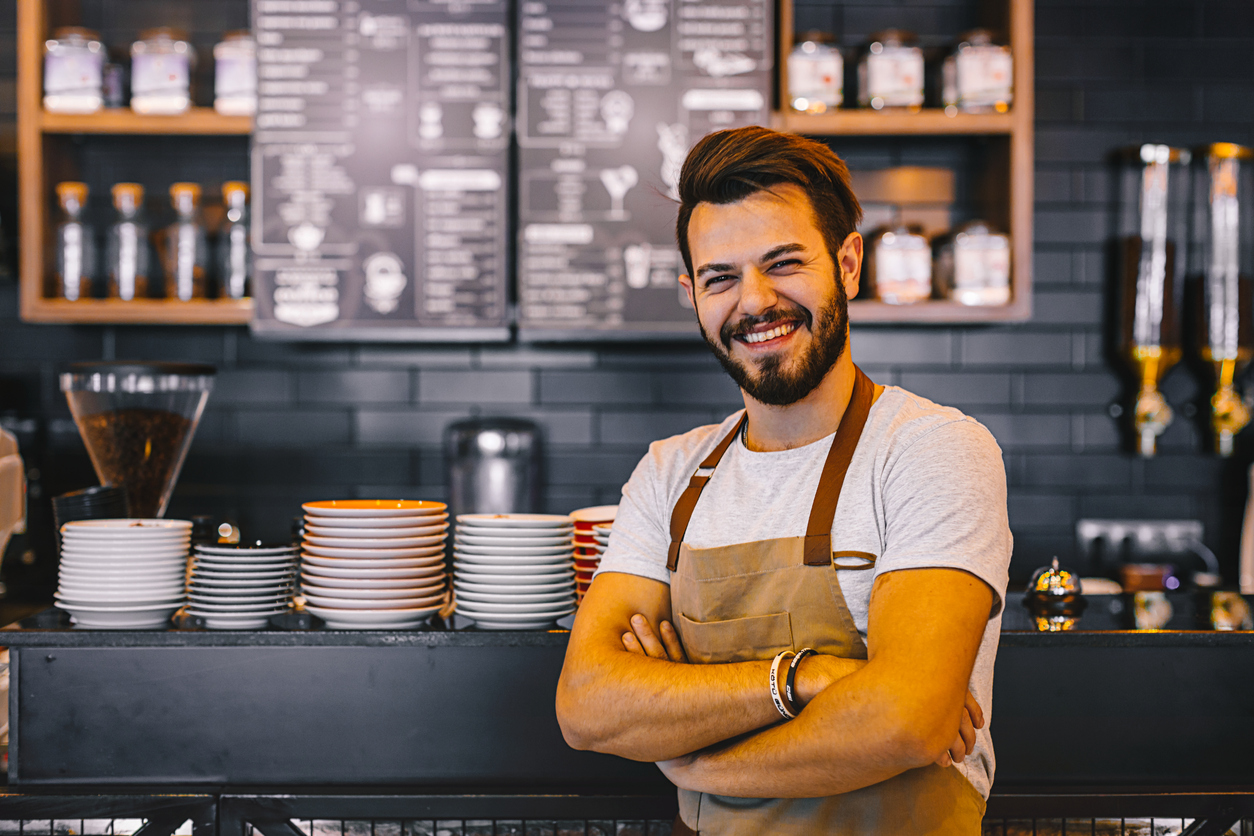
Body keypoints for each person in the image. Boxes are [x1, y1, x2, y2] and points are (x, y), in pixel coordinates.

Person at [555, 125, 1012, 835]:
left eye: (784, 263)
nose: (756, 301)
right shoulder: (670, 474)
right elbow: (587, 704)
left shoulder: (932, 451)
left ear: (849, 262)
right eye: (721, 277)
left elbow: (908, 723)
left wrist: (694, 762)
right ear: (693, 294)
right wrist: (806, 677)